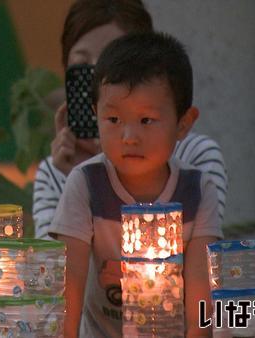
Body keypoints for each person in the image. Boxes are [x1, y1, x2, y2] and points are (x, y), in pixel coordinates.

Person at [48, 32, 223, 338]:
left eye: (146, 121)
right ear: (95, 116)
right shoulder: (87, 183)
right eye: (113, 120)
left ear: (183, 123)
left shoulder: (197, 189)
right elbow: (69, 281)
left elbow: (201, 300)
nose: (129, 136)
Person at [33, 0, 227, 240]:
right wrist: (81, 178)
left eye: (111, 60)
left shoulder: (195, 157)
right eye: (82, 64)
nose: (98, 76)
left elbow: (191, 256)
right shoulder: (54, 171)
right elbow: (55, 269)